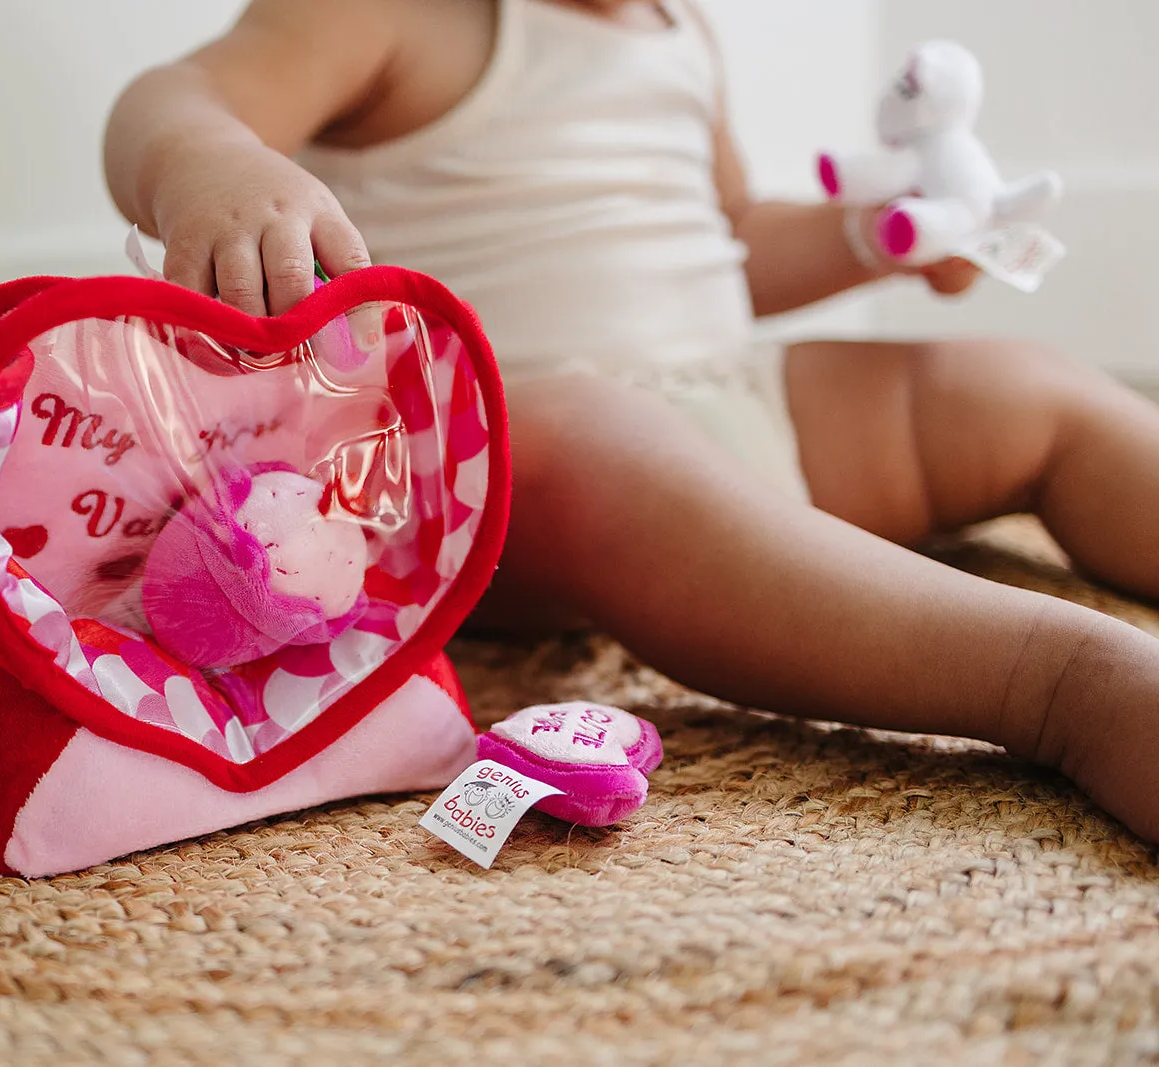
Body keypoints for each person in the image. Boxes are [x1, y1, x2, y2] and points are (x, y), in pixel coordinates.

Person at [103, 0, 1159, 840]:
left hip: (716, 396)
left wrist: (866, 239)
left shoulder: (676, 28)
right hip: (487, 469)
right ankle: (1062, 684)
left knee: (1019, 383)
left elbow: (730, 239)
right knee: (595, 438)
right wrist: (209, 161)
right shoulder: (385, 13)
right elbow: (178, 92)